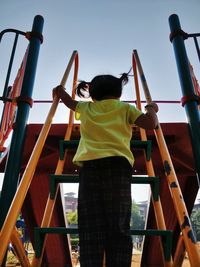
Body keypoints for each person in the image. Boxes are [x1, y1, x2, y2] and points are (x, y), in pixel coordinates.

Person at [53, 72, 158, 267]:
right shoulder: (125, 108)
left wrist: (60, 92)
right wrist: (151, 108)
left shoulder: (86, 107)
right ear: (118, 93)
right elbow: (151, 123)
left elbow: (68, 102)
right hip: (118, 167)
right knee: (118, 223)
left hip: (90, 168)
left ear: (92, 94)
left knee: (90, 224)